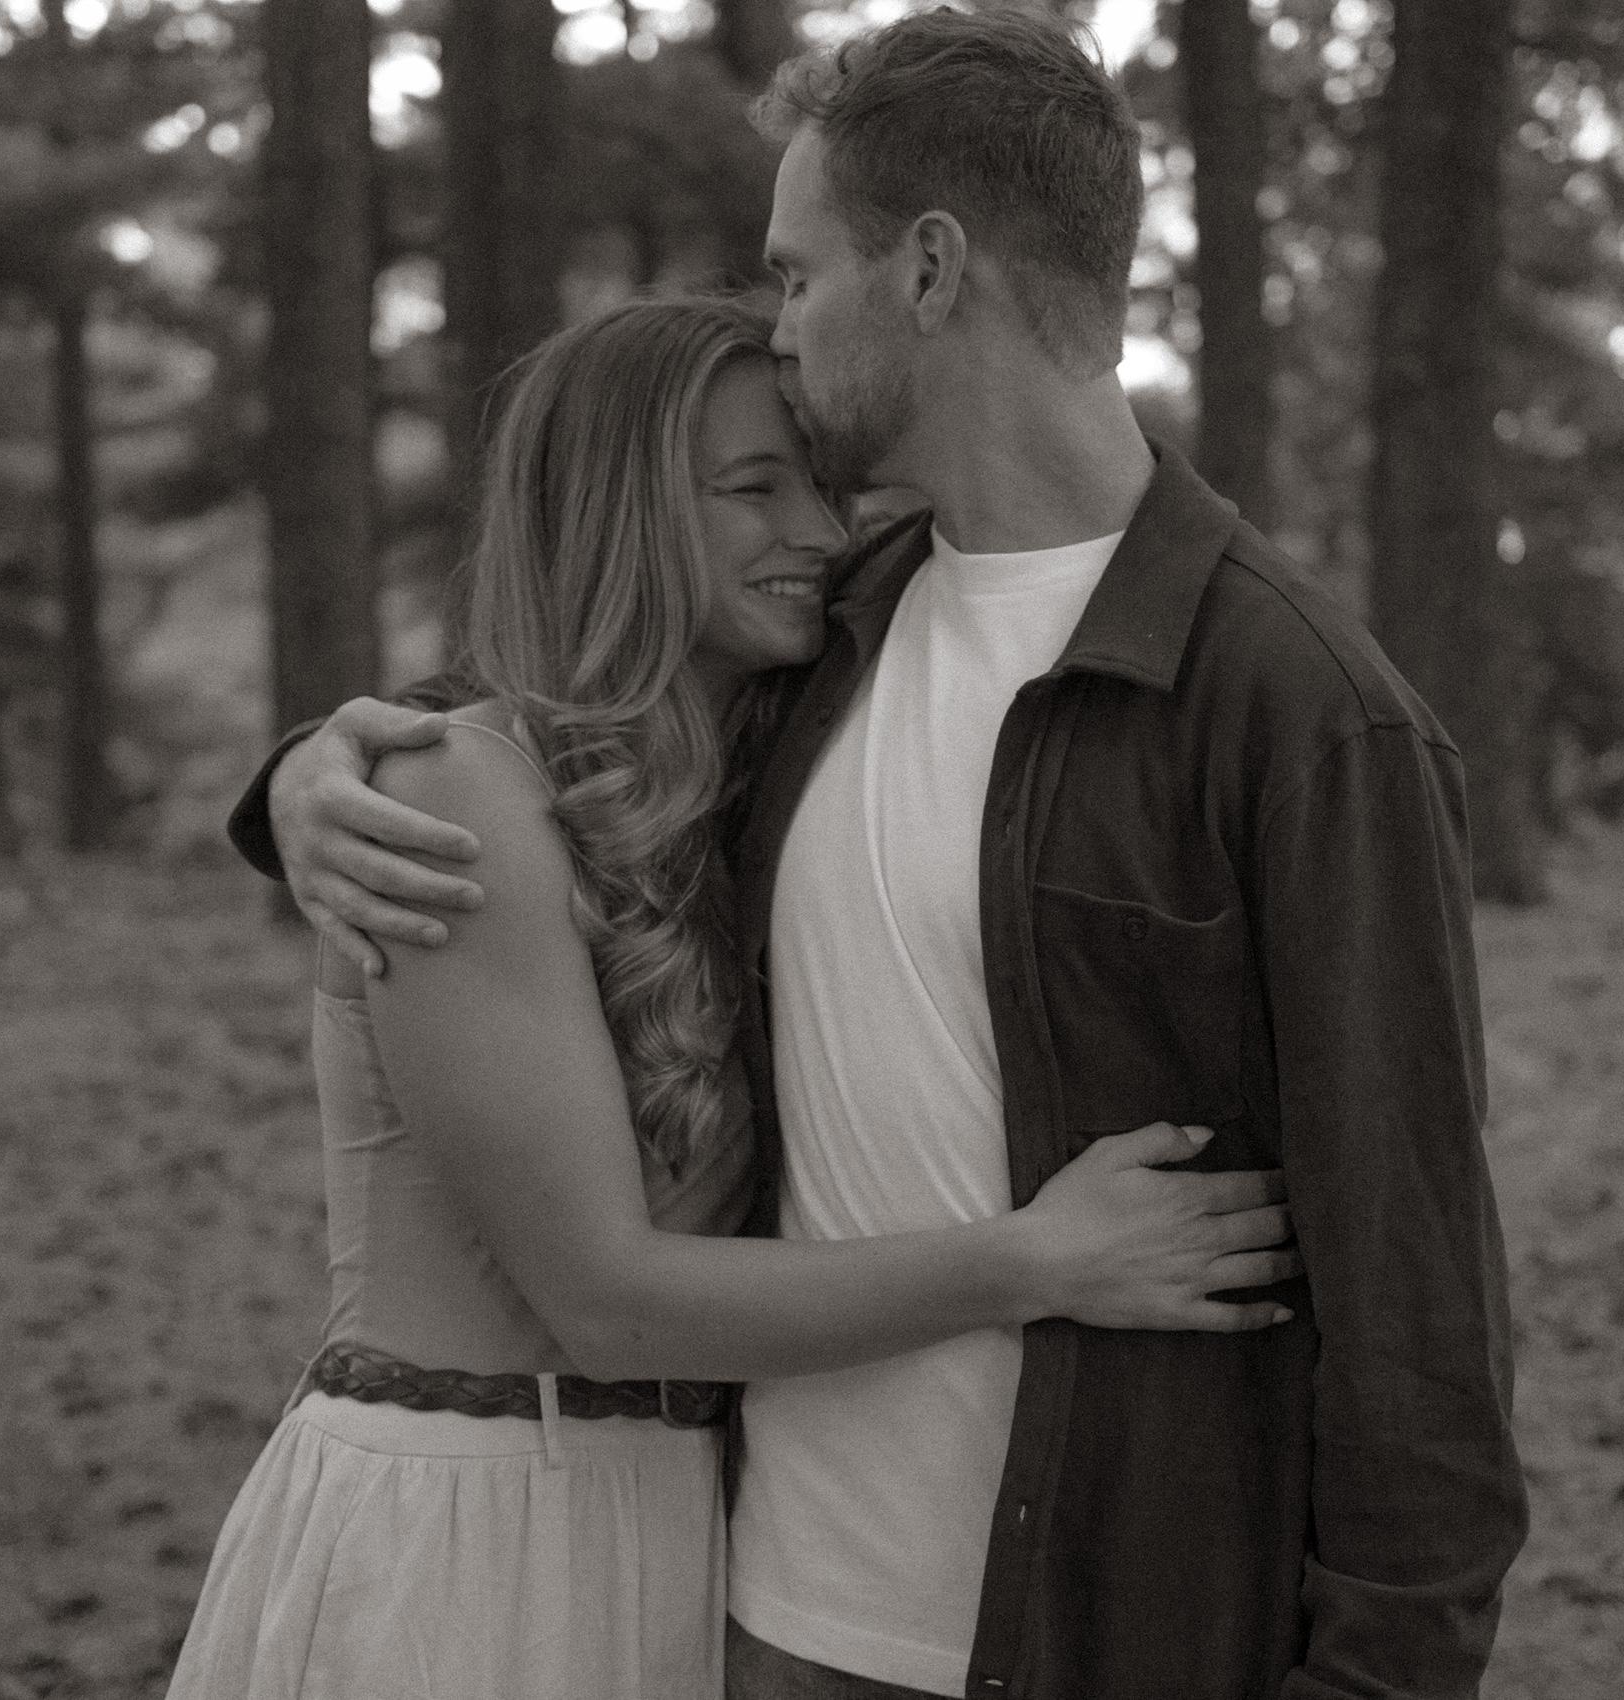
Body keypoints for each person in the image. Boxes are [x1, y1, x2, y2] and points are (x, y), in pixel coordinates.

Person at [232, 12, 1530, 1699]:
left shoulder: (1296, 713)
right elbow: (564, 727)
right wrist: (304, 776)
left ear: (927, 268)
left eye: (795, 273)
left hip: (1107, 1634)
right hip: (759, 1614)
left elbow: (1420, 1298)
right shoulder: (822, 635)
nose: (780, 324)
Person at [190, 295, 1300, 1700]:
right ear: (615, 510)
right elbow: (609, 1302)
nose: (822, 533)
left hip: (676, 1529)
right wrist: (1039, 1260)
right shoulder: (453, 796)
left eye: (822, 487)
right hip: (462, 1546)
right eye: (751, 488)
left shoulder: (742, 780)